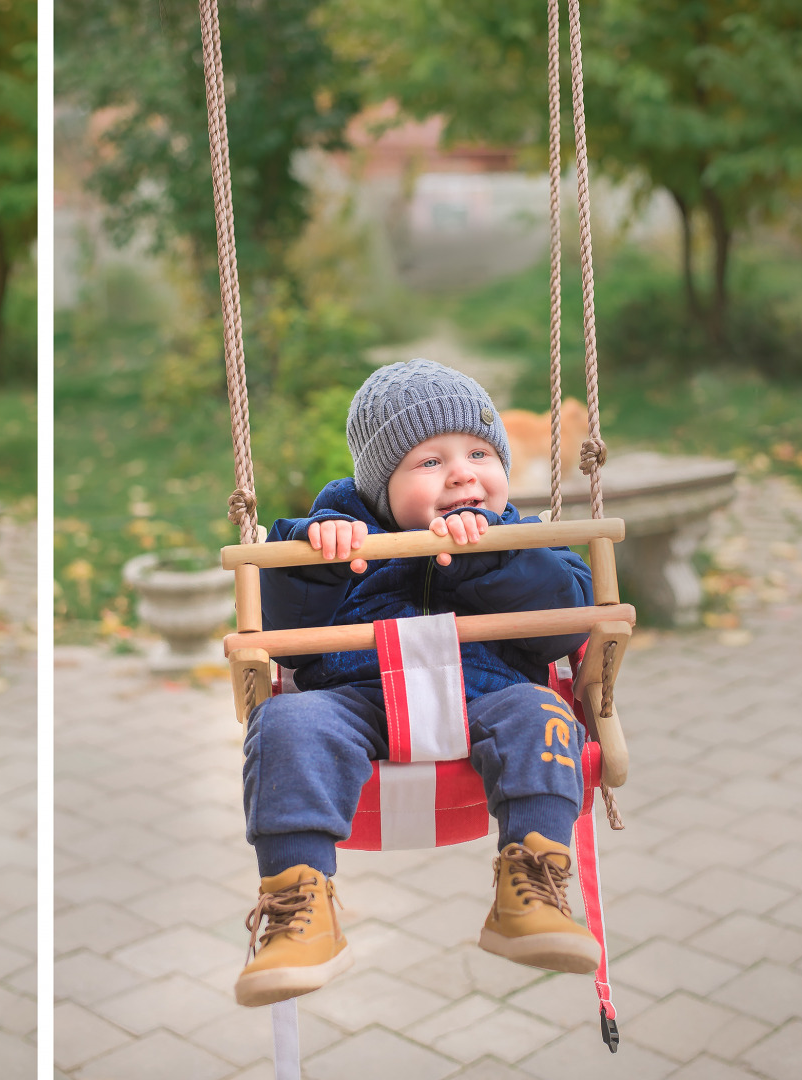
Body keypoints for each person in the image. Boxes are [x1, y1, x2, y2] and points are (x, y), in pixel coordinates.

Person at [235, 359, 599, 1008]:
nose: (462, 471)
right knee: (287, 722)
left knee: (544, 712)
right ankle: (298, 908)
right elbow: (278, 622)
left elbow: (566, 623)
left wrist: (496, 557)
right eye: (430, 462)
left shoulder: (522, 537)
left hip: (492, 696)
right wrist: (316, 558)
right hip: (358, 701)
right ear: (378, 485)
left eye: (480, 453)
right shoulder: (335, 532)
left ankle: (534, 887)